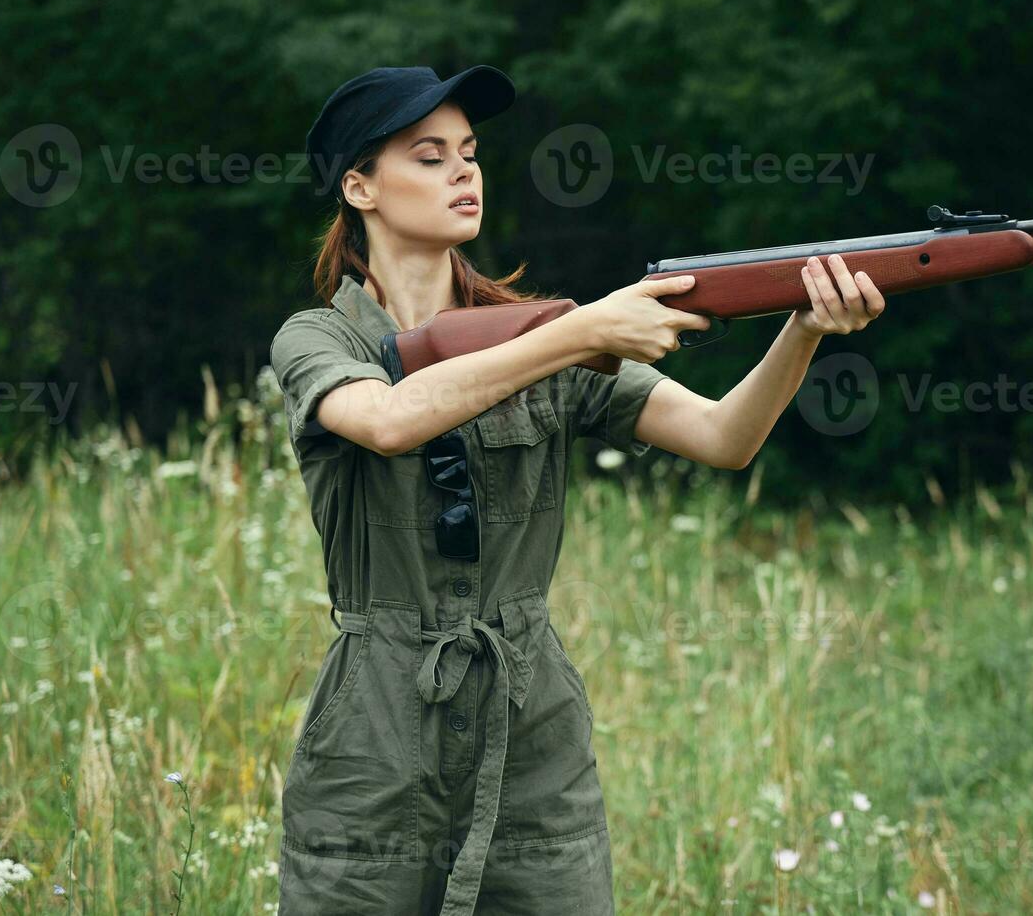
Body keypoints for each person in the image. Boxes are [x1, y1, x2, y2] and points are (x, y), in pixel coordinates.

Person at [269, 64, 886, 915]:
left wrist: (803, 330)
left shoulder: (551, 336)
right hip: (372, 731)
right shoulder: (317, 337)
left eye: (471, 153)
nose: (464, 172)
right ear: (359, 186)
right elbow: (387, 420)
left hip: (531, 729)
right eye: (429, 155)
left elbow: (723, 438)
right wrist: (581, 329)